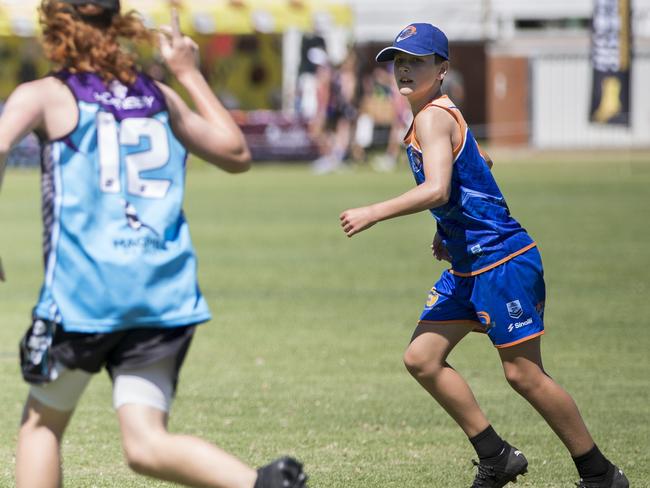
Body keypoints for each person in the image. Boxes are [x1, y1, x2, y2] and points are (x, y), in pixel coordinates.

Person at [0, 2, 307, 487]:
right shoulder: (159, 94)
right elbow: (235, 152)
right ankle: (260, 484)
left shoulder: (45, 95)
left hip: (85, 297)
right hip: (162, 294)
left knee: (41, 427)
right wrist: (187, 71)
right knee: (145, 444)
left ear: (55, 27)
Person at [339, 23, 628, 488]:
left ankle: (600, 474)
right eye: (398, 61)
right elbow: (479, 162)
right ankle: (496, 457)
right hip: (469, 262)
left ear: (442, 69)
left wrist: (374, 211)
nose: (405, 69)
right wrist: (450, 229)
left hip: (500, 261)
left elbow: (437, 187)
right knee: (422, 358)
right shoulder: (432, 116)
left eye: (417, 60)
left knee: (524, 375)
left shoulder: (433, 116)